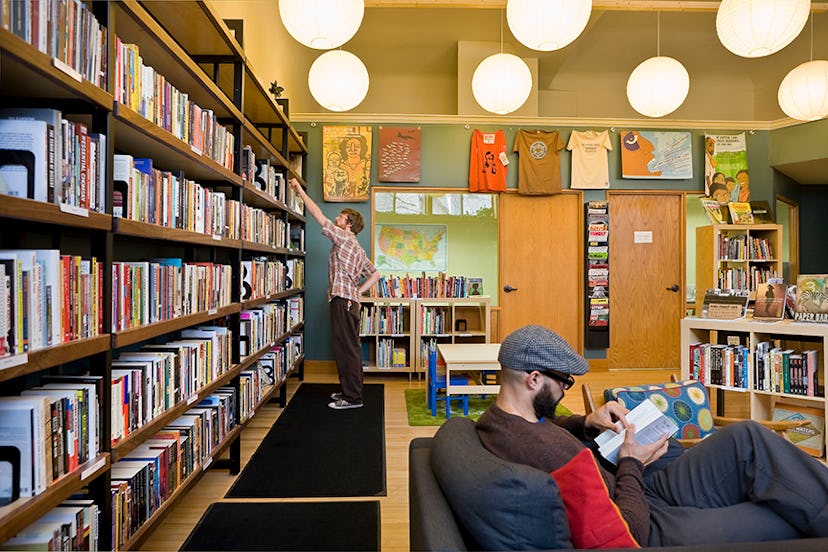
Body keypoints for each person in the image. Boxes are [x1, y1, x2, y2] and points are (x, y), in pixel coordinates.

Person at [477, 325, 828, 547]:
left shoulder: (501, 420)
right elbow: (630, 529)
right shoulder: (538, 447)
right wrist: (632, 460)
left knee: (746, 438)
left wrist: (587, 422)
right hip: (645, 514)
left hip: (639, 485)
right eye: (563, 383)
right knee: (778, 513)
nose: (565, 392)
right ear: (533, 380)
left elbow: (548, 428)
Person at [289, 178, 380, 409]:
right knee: (348, 348)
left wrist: (300, 190)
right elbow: (375, 274)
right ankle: (351, 392)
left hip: (343, 301)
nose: (336, 219)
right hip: (349, 301)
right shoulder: (357, 247)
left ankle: (353, 398)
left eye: (340, 217)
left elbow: (318, 215)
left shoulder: (344, 238)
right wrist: (358, 292)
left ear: (348, 224)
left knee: (346, 349)